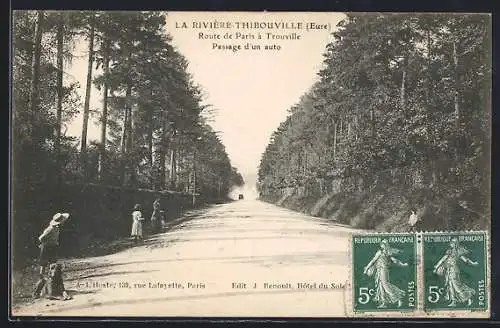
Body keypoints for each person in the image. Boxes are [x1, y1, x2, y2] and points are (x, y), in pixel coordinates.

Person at [363, 239, 408, 308]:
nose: (381, 245)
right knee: (381, 286)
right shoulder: (381, 252)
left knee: (385, 285)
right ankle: (384, 303)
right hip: (379, 270)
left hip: (383, 270)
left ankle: (398, 298)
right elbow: (373, 261)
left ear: (385, 245)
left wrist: (403, 264)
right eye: (381, 244)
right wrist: (367, 268)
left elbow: (395, 261)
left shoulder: (387, 253)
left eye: (383, 244)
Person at [433, 237, 478, 307]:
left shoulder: (458, 252)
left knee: (456, 286)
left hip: (454, 271)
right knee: (450, 285)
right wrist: (436, 266)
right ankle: (453, 301)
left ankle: (469, 297)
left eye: (453, 243)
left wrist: (473, 263)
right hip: (448, 271)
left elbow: (465, 260)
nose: (451, 244)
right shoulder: (449, 251)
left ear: (456, 244)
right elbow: (443, 259)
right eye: (450, 242)